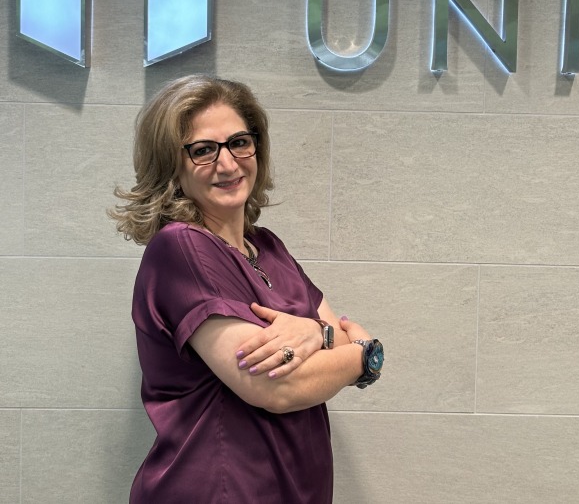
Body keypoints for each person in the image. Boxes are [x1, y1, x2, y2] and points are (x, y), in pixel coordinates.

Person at [110, 75, 384, 504]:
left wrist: (317, 334)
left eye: (239, 142)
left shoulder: (269, 247)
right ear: (171, 165)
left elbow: (338, 334)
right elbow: (276, 388)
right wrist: (364, 357)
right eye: (203, 150)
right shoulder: (180, 247)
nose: (228, 164)